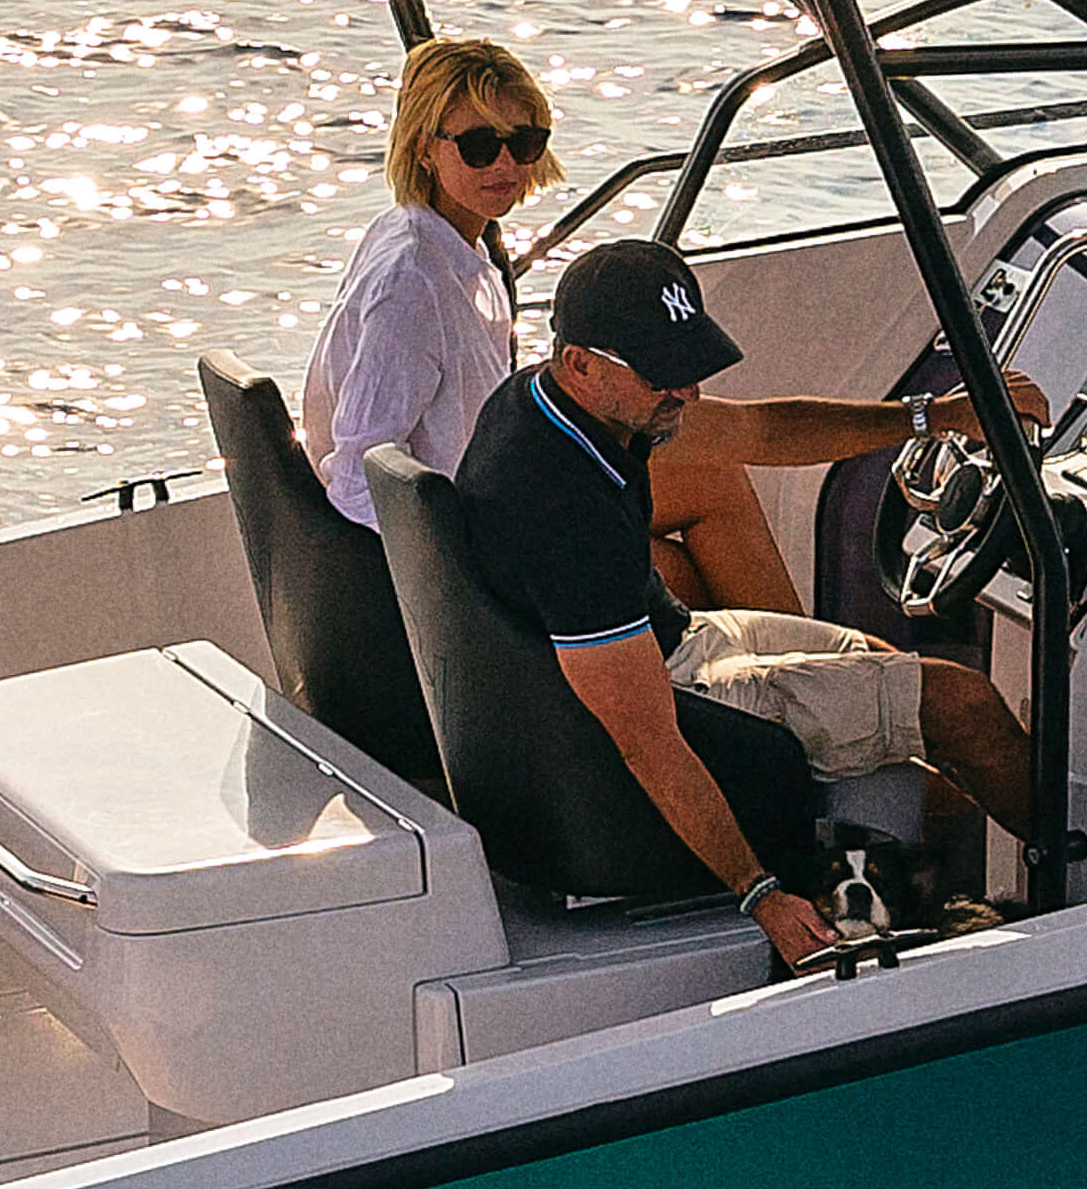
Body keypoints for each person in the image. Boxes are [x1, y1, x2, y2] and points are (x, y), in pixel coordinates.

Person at [447, 240, 1054, 971]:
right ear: (580, 361)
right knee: (961, 705)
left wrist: (933, 416)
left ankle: (926, 888)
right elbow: (649, 738)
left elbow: (761, 430)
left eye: (690, 367)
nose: (688, 394)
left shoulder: (569, 402)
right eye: (664, 375)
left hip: (672, 638)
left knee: (890, 666)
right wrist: (759, 892)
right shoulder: (562, 510)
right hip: (668, 690)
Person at [288, 36, 965, 621]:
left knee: (715, 478)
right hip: (485, 539)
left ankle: (801, 679)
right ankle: (794, 693)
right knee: (672, 575)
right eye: (478, 144)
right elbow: (358, 477)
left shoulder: (451, 246)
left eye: (524, 142)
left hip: (509, 488)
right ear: (424, 149)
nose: (505, 165)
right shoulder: (412, 279)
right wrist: (478, 592)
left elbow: (748, 429)